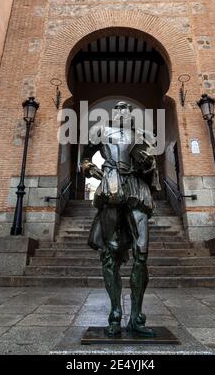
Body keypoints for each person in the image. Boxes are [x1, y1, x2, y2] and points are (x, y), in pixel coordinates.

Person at [81, 101, 161, 337]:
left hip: (136, 188)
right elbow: (85, 158)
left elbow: (151, 164)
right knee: (110, 253)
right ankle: (115, 313)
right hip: (111, 186)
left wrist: (148, 164)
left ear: (131, 113)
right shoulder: (100, 132)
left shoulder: (142, 135)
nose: (121, 110)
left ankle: (136, 316)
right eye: (117, 107)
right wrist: (89, 168)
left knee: (142, 252)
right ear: (112, 113)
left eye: (126, 107)